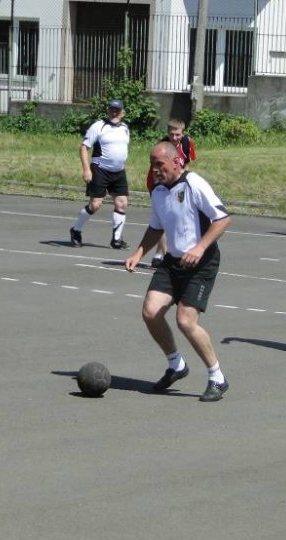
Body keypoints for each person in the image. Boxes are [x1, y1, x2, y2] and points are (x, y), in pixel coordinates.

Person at [125, 142, 231, 402]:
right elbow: (156, 227)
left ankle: (217, 377)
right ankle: (176, 365)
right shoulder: (158, 191)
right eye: (152, 164)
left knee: (185, 321)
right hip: (173, 262)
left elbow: (222, 219)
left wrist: (200, 247)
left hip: (202, 263)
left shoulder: (194, 184)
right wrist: (139, 253)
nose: (155, 169)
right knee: (151, 312)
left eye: (159, 164)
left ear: (175, 162)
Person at [71, 99, 130, 250]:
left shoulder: (125, 128)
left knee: (122, 203)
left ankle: (116, 240)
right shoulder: (98, 126)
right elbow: (84, 148)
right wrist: (86, 170)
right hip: (100, 170)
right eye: (112, 110)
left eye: (117, 110)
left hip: (118, 172)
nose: (114, 113)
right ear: (108, 111)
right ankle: (76, 230)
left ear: (122, 113)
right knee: (95, 204)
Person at [145, 119, 197, 268]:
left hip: (177, 183)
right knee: (164, 218)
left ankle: (167, 251)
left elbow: (186, 164)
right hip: (159, 182)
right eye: (171, 134)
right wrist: (159, 188)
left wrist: (185, 181)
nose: (174, 138)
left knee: (177, 216)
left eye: (177, 135)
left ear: (183, 133)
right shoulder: (162, 147)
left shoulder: (187, 143)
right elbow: (156, 170)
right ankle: (160, 254)